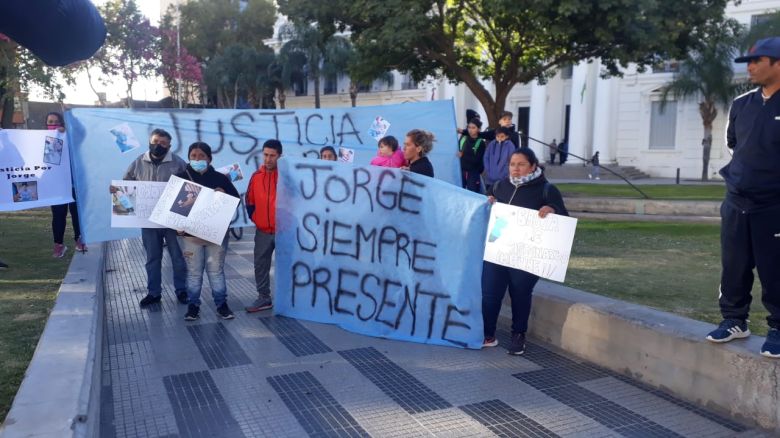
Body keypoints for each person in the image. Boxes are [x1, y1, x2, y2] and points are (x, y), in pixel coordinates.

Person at [705, 37, 780, 358]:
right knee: (734, 264)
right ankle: (735, 320)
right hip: (737, 199)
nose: (749, 67)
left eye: (756, 61)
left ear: (777, 63)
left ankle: (778, 327)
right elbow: (735, 144)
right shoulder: (742, 104)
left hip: (774, 203)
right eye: (747, 62)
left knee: (775, 266)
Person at [482, 147, 568, 355]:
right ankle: (488, 334)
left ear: (533, 166)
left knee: (520, 293)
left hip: (527, 254)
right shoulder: (499, 186)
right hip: (499, 250)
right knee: (490, 294)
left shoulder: (546, 189)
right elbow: (489, 210)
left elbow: (564, 217)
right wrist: (489, 202)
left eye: (521, 164)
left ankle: (518, 335)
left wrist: (552, 211)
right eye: (512, 164)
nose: (516, 169)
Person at [174, 142, 240, 321]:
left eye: (201, 156)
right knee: (194, 271)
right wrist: (177, 226)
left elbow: (236, 201)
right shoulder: (180, 178)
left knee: (216, 270)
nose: (197, 159)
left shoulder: (220, 178)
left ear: (209, 159)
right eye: (193, 155)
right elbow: (172, 208)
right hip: (190, 236)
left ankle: (221, 304)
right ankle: (193, 305)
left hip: (215, 235)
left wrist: (223, 195)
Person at [124, 128, 189, 307]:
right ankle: (154, 293)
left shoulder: (178, 163)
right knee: (152, 258)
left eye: (162, 143)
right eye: (155, 142)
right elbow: (126, 182)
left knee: (178, 257)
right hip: (149, 221)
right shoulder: (138, 162)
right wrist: (118, 190)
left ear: (169, 146)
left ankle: (182, 290)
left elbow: (191, 187)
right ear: (149, 142)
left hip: (173, 221)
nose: (158, 145)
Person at [245, 139, 282, 313]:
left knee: (288, 266)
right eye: (266, 155)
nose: (268, 159)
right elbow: (249, 202)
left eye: (272, 156)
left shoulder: (287, 176)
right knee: (260, 264)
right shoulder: (256, 177)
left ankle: (288, 299)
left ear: (279, 156)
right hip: (263, 231)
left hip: (284, 232)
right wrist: (257, 219)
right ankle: (264, 298)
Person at [46, 112, 86, 258]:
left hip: (74, 184)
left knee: (76, 213)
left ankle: (80, 240)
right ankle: (58, 245)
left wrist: (71, 117)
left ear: (62, 123)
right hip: (56, 186)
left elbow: (82, 133)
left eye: (56, 121)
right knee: (58, 215)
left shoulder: (70, 138)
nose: (53, 124)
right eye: (50, 121)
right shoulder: (41, 139)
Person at [482, 126, 515, 192]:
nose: (499, 138)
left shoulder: (510, 145)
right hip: (489, 178)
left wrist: (505, 173)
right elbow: (486, 157)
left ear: (507, 136)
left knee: (500, 198)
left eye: (502, 136)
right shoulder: (492, 144)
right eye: (497, 136)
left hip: (503, 179)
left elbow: (511, 160)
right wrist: (488, 170)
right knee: (489, 197)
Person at [458, 118, 486, 193]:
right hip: (461, 171)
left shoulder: (481, 142)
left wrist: (463, 155)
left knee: (472, 194)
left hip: (473, 173)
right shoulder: (463, 138)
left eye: (473, 128)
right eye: (469, 127)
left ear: (479, 129)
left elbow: (477, 160)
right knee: (459, 193)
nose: (470, 130)